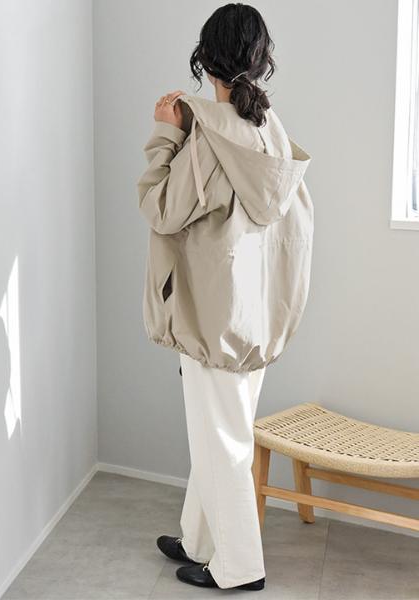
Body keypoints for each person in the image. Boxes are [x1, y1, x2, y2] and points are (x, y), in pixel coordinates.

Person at [136, 2, 314, 593]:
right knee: (217, 437)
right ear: (261, 61)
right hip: (254, 314)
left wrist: (166, 133)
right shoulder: (270, 130)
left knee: (224, 445)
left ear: (205, 59)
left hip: (214, 315)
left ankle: (239, 568)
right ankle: (198, 540)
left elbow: (161, 209)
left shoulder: (211, 136)